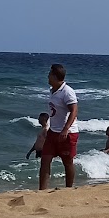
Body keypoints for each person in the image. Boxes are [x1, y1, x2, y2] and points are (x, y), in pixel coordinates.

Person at [40, 63, 79, 191]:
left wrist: (66, 129)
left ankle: (68, 189)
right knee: (45, 160)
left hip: (67, 133)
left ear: (55, 76)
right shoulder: (53, 91)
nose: (48, 76)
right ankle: (42, 190)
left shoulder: (67, 92)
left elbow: (74, 111)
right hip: (53, 131)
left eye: (50, 74)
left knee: (67, 162)